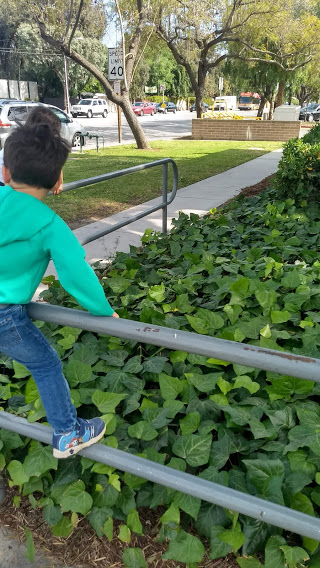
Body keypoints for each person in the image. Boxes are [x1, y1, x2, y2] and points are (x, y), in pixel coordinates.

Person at [0, 122, 119, 458]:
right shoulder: (51, 225)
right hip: (4, 317)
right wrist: (102, 310)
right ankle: (68, 433)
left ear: (5, 172)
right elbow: (75, 274)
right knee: (46, 364)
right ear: (57, 181)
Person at [0, 105, 62, 187]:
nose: (55, 136)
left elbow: (55, 162)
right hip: (5, 182)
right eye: (54, 132)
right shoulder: (24, 146)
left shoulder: (39, 145)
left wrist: (59, 183)